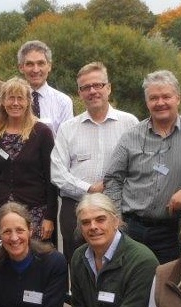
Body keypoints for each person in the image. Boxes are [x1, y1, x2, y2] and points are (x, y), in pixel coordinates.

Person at [104, 70, 181, 265]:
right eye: (154, 98)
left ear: (178, 98)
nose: (160, 102)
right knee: (132, 283)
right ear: (147, 102)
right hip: (132, 227)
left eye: (166, 96)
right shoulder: (131, 135)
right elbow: (112, 178)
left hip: (172, 230)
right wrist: (116, 219)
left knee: (168, 285)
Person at [51, 62, 138, 261]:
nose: (92, 91)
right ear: (79, 93)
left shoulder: (130, 123)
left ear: (108, 88)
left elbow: (138, 166)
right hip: (74, 206)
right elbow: (57, 172)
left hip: (117, 205)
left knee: (118, 262)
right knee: (77, 262)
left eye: (98, 85)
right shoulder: (68, 128)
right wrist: (89, 189)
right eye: (86, 87)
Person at [0, 77, 58, 242]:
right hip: (4, 213)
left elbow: (51, 178)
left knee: (38, 260)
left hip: (37, 212)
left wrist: (50, 216)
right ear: (3, 102)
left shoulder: (41, 132)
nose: (15, 103)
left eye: (20, 98)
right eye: (11, 98)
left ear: (28, 102)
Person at [16, 40, 73, 134]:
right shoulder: (11, 102)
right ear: (21, 67)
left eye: (41, 63)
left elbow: (67, 140)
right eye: (30, 64)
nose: (35, 69)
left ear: (49, 66)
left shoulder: (63, 102)